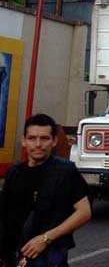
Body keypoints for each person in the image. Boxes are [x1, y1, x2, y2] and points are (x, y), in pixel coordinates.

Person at [0, 114, 91, 267]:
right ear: (24, 141)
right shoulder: (14, 172)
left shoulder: (64, 171)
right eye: (32, 138)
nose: (38, 144)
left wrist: (46, 238)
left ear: (54, 141)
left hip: (49, 256)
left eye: (44, 138)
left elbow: (84, 212)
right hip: (14, 255)